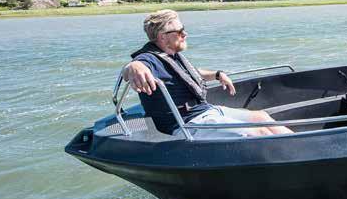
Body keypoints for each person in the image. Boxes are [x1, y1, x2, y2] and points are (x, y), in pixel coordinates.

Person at [123, 9, 293, 137]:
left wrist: (217, 75)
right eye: (180, 32)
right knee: (260, 132)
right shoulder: (148, 59)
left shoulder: (171, 56)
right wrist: (134, 67)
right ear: (162, 37)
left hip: (207, 111)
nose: (185, 34)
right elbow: (132, 69)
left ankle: (301, 145)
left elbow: (189, 73)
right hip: (189, 123)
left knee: (261, 117)